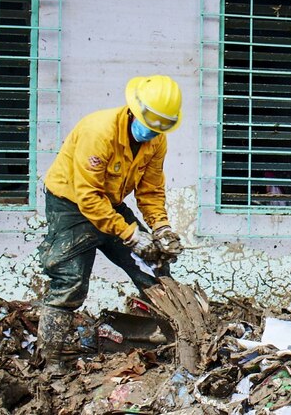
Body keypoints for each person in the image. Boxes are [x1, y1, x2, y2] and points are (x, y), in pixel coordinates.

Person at [36, 75, 185, 370]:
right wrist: (130, 235)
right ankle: (49, 362)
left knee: (153, 267)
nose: (152, 133)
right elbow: (88, 197)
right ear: (133, 110)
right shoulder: (99, 131)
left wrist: (161, 228)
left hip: (112, 205)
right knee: (70, 281)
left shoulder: (156, 140)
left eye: (159, 128)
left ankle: (180, 344)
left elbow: (151, 190)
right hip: (71, 205)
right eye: (150, 124)